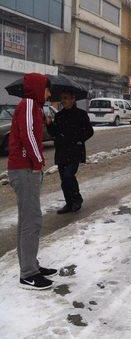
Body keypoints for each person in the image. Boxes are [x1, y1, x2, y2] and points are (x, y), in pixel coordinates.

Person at [8, 73, 57, 290]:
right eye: (47, 89)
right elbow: (27, 134)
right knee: (32, 220)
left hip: (25, 169)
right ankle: (28, 273)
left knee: (27, 220)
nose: (49, 94)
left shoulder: (32, 107)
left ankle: (31, 266)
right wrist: (38, 161)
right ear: (38, 88)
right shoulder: (28, 104)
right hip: (25, 169)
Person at [46, 90, 94, 214]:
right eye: (62, 98)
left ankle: (77, 199)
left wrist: (78, 140)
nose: (63, 100)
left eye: (66, 97)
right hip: (62, 152)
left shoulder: (81, 114)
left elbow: (89, 131)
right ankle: (69, 203)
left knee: (68, 175)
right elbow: (53, 133)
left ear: (73, 99)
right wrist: (49, 124)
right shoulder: (59, 115)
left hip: (75, 152)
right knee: (64, 179)